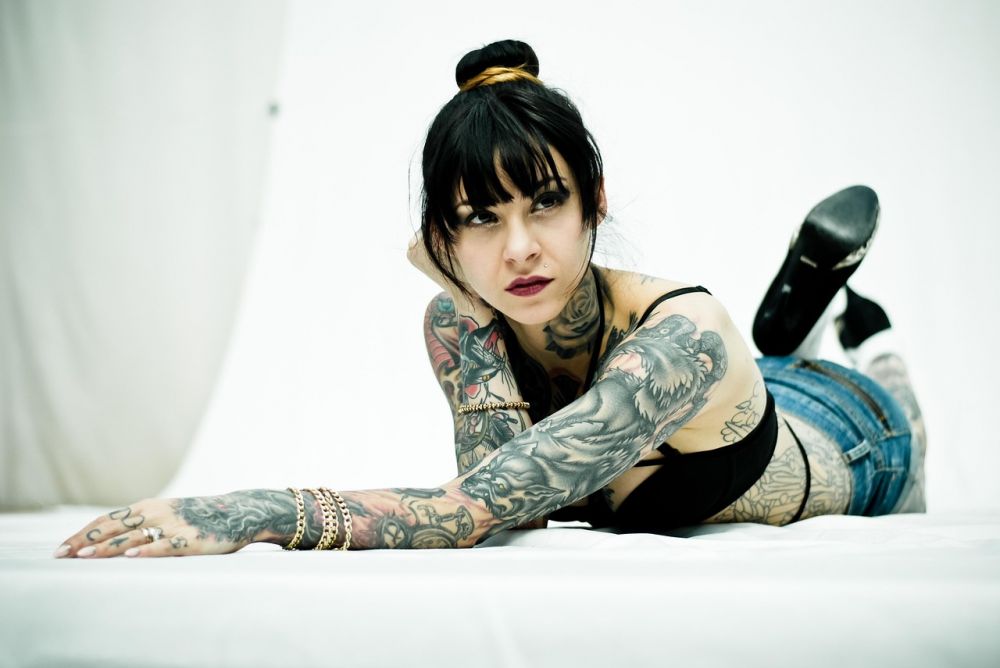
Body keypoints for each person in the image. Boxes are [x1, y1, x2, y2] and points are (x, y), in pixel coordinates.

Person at [53, 39, 925, 559]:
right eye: (479, 217)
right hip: (733, 402)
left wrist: (240, 515)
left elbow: (472, 509)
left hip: (855, 434)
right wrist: (469, 310)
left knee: (883, 395)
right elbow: (511, 494)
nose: (518, 248)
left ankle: (858, 336)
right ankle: (796, 326)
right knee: (767, 360)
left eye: (545, 203)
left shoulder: (681, 338)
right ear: (442, 237)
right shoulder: (456, 320)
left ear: (595, 203)